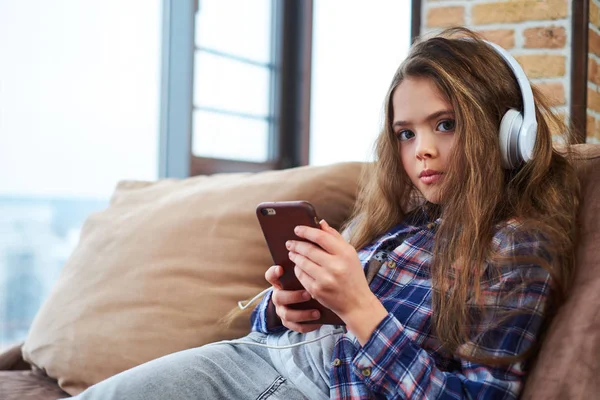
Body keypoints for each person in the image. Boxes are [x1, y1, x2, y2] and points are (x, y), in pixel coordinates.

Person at [67, 27, 579, 400]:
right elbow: (269, 332)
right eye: (406, 133)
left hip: (312, 386)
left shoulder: (518, 246)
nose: (421, 149)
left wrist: (359, 308)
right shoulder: (399, 219)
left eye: (445, 125)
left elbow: (472, 396)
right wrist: (286, 304)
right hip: (261, 357)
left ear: (511, 132)